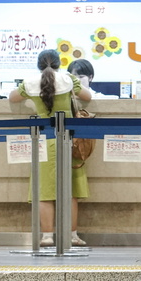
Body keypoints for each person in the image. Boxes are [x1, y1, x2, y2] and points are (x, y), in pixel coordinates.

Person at [9, 49, 92, 247]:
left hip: (44, 141)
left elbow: (12, 98)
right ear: (58, 63)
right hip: (69, 140)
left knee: (45, 190)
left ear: (38, 65)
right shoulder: (69, 79)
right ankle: (72, 235)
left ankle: (47, 236)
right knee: (71, 190)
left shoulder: (30, 83)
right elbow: (87, 97)